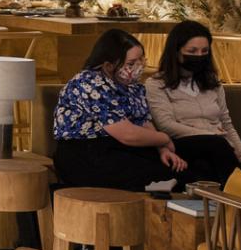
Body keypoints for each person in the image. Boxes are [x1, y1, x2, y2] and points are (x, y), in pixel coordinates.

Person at [51, 28, 189, 192]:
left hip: (119, 148)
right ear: (109, 65)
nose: (138, 67)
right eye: (131, 64)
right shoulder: (89, 83)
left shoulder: (133, 86)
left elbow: (143, 121)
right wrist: (164, 138)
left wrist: (162, 150)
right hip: (85, 153)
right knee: (163, 177)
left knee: (185, 169)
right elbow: (127, 134)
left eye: (141, 61)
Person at [143, 20, 241, 186]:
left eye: (204, 51)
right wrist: (208, 134)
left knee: (204, 169)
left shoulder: (212, 82)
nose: (199, 56)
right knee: (215, 144)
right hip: (180, 144)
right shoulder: (156, 84)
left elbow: (226, 123)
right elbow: (165, 124)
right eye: (192, 51)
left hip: (215, 148)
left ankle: (217, 205)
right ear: (176, 52)